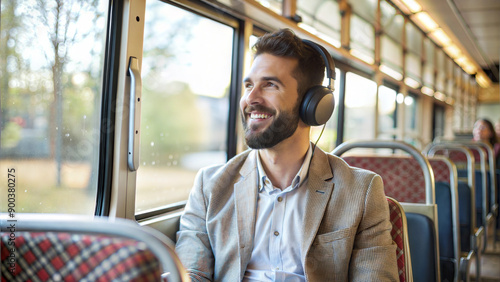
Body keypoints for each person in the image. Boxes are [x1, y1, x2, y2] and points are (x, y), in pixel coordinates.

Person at [175, 28, 398, 281]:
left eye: (269, 85)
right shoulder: (210, 186)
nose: (251, 98)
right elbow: (190, 273)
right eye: (249, 85)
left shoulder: (361, 191)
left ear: (312, 104)